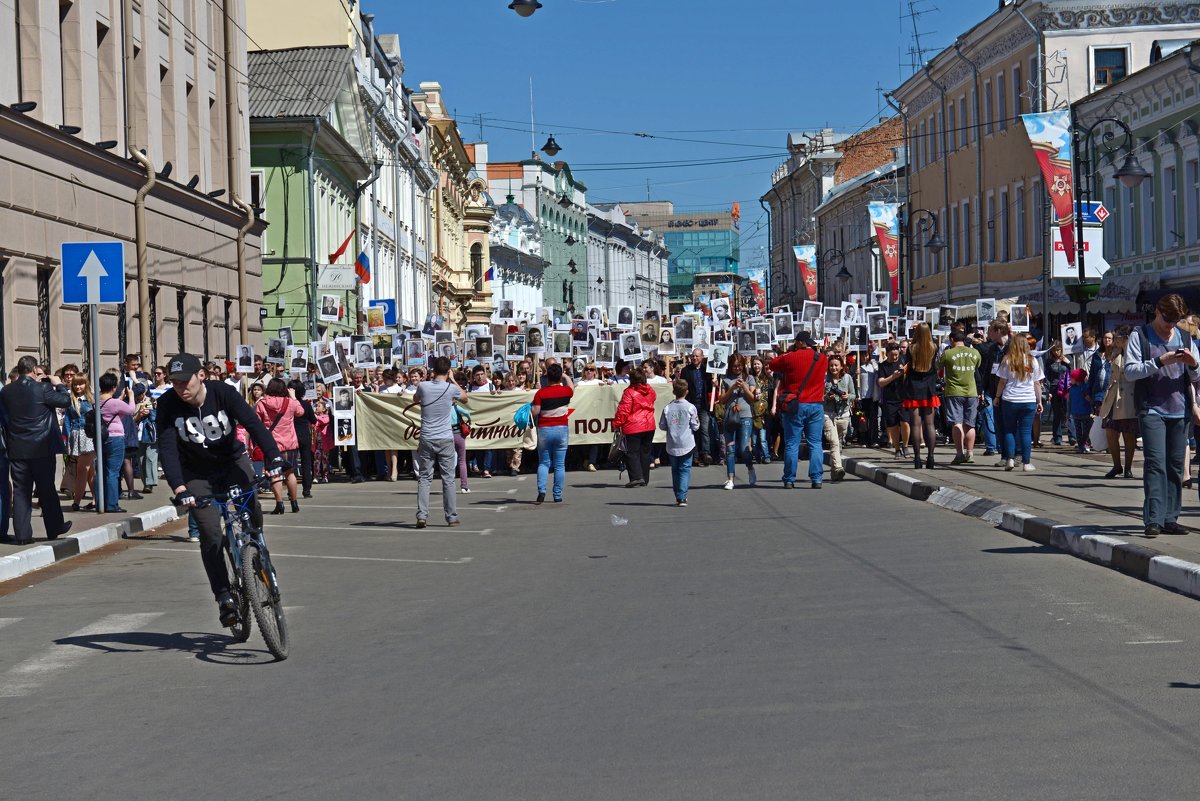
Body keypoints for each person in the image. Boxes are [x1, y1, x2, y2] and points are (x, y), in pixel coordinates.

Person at [158, 353, 288, 627]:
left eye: (185, 381)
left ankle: (259, 552)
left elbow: (252, 423)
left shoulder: (223, 393)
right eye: (175, 383)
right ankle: (224, 597)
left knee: (250, 509)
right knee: (210, 533)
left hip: (232, 463)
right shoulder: (168, 404)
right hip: (197, 473)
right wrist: (180, 487)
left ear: (201, 376)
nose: (181, 388)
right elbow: (167, 448)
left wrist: (273, 457)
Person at [1124, 294, 1200, 537]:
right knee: (1156, 464)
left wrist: (1193, 364)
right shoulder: (1141, 335)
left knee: (1176, 466)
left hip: (1180, 410)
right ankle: (1154, 520)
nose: (1170, 326)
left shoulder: (1185, 336)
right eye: (1167, 319)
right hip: (1152, 409)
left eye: (1175, 321)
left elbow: (1197, 377)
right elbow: (1130, 372)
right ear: (1157, 311)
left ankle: (1170, 518)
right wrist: (1159, 361)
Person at [0, 357, 72, 544]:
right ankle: (54, 527)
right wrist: (59, 384)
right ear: (33, 370)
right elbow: (65, 401)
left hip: (17, 448)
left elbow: (5, 418)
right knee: (47, 489)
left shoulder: (7, 391)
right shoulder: (43, 388)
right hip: (41, 447)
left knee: (21, 491)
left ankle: (23, 536)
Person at [405, 356, 466, 528]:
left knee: (424, 478)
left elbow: (415, 400)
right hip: (445, 437)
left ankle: (422, 515)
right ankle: (451, 517)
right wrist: (453, 379)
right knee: (448, 479)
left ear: (433, 370)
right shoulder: (450, 388)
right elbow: (465, 397)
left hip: (427, 437)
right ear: (448, 371)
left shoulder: (423, 386)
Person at [769, 331, 828, 489]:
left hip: (795, 405)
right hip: (816, 405)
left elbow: (772, 364)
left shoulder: (789, 357)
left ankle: (789, 479)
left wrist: (788, 352)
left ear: (799, 343)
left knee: (791, 444)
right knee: (815, 443)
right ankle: (817, 479)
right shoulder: (822, 358)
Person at [994, 332, 1045, 472]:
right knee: (1026, 432)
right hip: (1028, 400)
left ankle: (1010, 459)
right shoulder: (1032, 360)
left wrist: (997, 397)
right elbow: (1037, 384)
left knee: (1009, 430)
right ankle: (1026, 463)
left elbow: (1002, 381)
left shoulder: (1007, 360)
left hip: (1009, 399)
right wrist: (1039, 401)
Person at [1098, 325, 1138, 479]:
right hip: (1113, 396)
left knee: (1129, 435)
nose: (1115, 340)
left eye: (1118, 338)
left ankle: (1127, 468)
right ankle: (1117, 466)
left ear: (1126, 338)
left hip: (1128, 397)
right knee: (1110, 433)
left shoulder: (1134, 352)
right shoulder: (1115, 352)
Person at [531, 363, 573, 504]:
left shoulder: (541, 393)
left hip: (545, 429)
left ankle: (542, 491)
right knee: (559, 464)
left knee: (544, 463)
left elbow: (535, 412)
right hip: (561, 429)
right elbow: (572, 387)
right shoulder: (566, 391)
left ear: (547, 377)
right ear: (560, 377)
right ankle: (557, 495)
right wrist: (566, 376)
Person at [902, 324, 940, 470]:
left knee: (915, 425)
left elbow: (908, 365)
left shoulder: (912, 348)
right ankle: (931, 457)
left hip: (913, 388)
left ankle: (917, 458)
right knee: (930, 424)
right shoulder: (934, 347)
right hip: (929, 388)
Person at [941, 330, 981, 464]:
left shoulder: (947, 353)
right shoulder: (974, 353)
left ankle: (959, 454)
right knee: (970, 424)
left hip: (954, 391)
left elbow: (939, 368)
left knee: (956, 423)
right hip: (971, 392)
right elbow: (977, 367)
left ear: (952, 339)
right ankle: (970, 454)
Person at [613, 366, 657, 488]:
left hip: (634, 426)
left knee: (631, 453)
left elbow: (623, 411)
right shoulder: (650, 390)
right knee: (645, 453)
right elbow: (653, 398)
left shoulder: (629, 392)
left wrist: (617, 424)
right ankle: (644, 478)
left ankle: (637, 477)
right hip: (649, 425)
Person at [719, 354, 759, 490]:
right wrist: (732, 388)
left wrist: (744, 388)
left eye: (739, 365)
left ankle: (750, 467)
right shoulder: (725, 378)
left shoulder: (750, 378)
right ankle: (730, 478)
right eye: (735, 366)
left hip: (745, 415)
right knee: (729, 449)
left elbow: (753, 398)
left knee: (743, 448)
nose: (737, 368)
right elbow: (722, 399)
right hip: (730, 416)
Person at [660, 378, 699, 506]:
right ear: (686, 392)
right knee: (684, 469)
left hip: (672, 443)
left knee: (675, 470)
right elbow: (696, 425)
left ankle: (679, 495)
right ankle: (682, 496)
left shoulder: (667, 408)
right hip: (686, 443)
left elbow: (662, 425)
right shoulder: (690, 407)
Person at [63, 375, 97, 511]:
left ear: (86, 384)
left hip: (88, 435)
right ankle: (96, 499)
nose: (78, 387)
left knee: (83, 470)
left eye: (81, 384)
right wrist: (65, 438)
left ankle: (76, 501)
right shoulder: (70, 400)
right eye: (75, 385)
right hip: (75, 435)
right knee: (89, 471)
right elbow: (67, 420)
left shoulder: (92, 400)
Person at [822, 355, 855, 482]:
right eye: (831, 365)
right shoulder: (825, 379)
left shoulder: (847, 378)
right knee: (834, 442)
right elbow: (819, 396)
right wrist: (827, 397)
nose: (833, 368)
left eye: (836, 365)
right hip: (828, 414)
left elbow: (853, 394)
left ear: (841, 366)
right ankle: (839, 468)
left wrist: (847, 396)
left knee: (839, 444)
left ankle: (834, 473)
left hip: (843, 414)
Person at [876, 342, 909, 458]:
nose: (895, 357)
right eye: (892, 355)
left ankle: (905, 446)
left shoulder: (903, 362)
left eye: (896, 355)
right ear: (887, 354)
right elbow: (880, 382)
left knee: (905, 422)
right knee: (893, 425)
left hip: (903, 397)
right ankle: (897, 448)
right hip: (890, 399)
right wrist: (893, 377)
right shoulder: (883, 366)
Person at [1045, 343, 1072, 446]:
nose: (1057, 352)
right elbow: (1047, 376)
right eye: (1055, 350)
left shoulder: (1067, 358)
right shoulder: (1049, 361)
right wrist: (1048, 391)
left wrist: (1068, 363)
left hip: (1066, 388)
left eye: (1059, 350)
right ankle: (1057, 437)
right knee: (1057, 414)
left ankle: (1071, 436)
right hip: (1054, 388)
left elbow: (1073, 372)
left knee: (1068, 412)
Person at [1067, 369, 1093, 454]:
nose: (1070, 379)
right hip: (1076, 413)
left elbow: (1090, 399)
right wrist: (1068, 413)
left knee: (1086, 430)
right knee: (1078, 431)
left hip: (1086, 412)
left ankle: (1084, 444)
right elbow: (1069, 401)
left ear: (1077, 378)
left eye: (1072, 378)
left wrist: (1089, 399)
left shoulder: (1085, 388)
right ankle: (1081, 446)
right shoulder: (1072, 389)